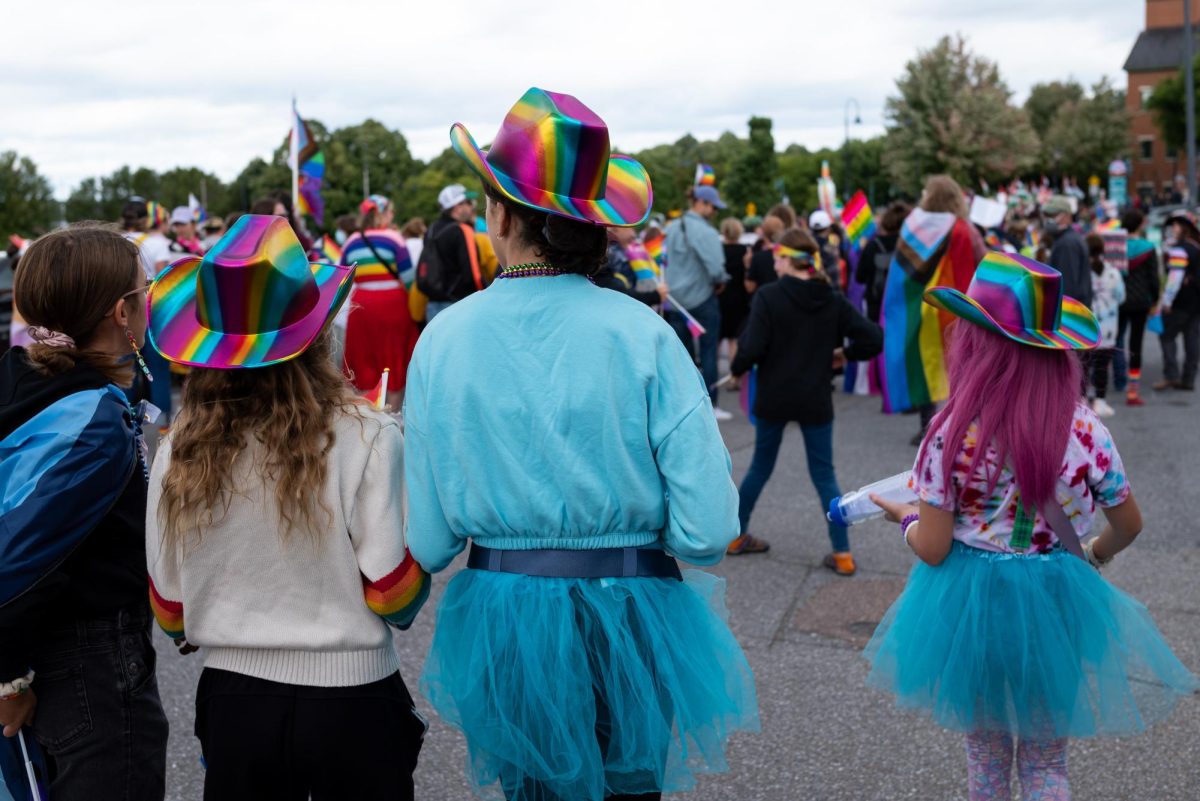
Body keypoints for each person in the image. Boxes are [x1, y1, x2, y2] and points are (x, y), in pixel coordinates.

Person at [406, 87, 758, 801]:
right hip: (632, 607)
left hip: (508, 611)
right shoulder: (645, 333)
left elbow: (431, 538)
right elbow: (709, 529)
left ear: (501, 215)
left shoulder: (444, 340)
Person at [866, 250, 1197, 801]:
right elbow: (1129, 524)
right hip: (1056, 598)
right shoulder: (1085, 429)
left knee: (987, 761)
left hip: (970, 604)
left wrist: (903, 518)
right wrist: (1092, 555)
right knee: (1047, 764)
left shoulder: (949, 431)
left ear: (975, 342)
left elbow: (932, 546)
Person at [143, 214, 428, 801]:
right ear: (317, 330)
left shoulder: (179, 450)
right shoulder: (367, 435)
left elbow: (170, 609)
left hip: (233, 704)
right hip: (354, 701)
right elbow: (392, 592)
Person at [0, 226, 168, 799]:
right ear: (122, 312)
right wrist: (9, 676)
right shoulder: (90, 420)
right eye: (145, 292)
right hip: (83, 665)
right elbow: (15, 559)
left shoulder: (20, 374)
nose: (150, 303)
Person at [728, 228, 882, 568]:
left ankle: (736, 534)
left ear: (787, 259)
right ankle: (842, 553)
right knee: (825, 475)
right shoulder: (831, 299)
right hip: (815, 397)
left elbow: (751, 347)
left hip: (774, 396)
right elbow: (873, 339)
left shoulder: (769, 296)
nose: (775, 263)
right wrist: (846, 353)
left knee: (760, 467)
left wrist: (738, 368)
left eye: (778, 258)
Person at [880, 175, 985, 445]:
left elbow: (900, 274)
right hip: (956, 305)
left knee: (927, 365)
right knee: (958, 366)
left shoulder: (913, 228)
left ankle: (927, 426)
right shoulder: (963, 229)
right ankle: (959, 425)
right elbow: (980, 264)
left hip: (923, 306)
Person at [339, 195, 419, 409]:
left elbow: (341, 280)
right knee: (393, 360)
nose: (392, 215)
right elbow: (410, 280)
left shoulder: (351, 242)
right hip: (393, 306)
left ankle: (368, 416)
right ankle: (393, 416)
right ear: (381, 213)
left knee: (365, 361)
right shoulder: (394, 239)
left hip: (361, 307)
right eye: (390, 211)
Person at [663, 184, 729, 418]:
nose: (714, 211)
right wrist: (721, 280)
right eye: (713, 206)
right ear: (701, 203)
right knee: (709, 353)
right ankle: (711, 406)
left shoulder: (671, 228)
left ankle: (687, 408)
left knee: (683, 357)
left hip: (675, 300)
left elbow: (665, 260)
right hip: (702, 298)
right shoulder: (707, 232)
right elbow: (716, 269)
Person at [120, 199, 174, 426]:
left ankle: (127, 423)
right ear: (146, 219)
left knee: (126, 372)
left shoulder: (117, 242)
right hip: (153, 314)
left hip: (123, 315)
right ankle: (162, 427)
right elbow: (163, 281)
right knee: (158, 372)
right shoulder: (158, 243)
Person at [413, 184, 486, 322]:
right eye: (469, 203)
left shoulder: (432, 228)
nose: (472, 207)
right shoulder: (462, 230)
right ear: (457, 207)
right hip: (458, 306)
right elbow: (473, 275)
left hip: (433, 305)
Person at [1113, 209, 1159, 406]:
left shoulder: (1115, 246)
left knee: (1117, 340)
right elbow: (1153, 279)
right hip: (1141, 301)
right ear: (1139, 225)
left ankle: (1118, 379)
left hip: (1120, 300)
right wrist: (1155, 299)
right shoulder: (1148, 248)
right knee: (1136, 344)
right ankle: (1132, 390)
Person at [1155, 210, 1200, 391]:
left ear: (1184, 228)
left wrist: (1166, 302)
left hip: (1180, 302)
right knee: (1192, 340)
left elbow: (1174, 279)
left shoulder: (1180, 249)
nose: (1173, 228)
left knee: (1166, 335)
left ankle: (1171, 375)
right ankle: (1188, 379)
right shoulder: (1196, 246)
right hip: (1196, 302)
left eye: (1175, 225)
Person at [1085, 232, 1125, 417]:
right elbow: (1121, 297)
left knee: (1084, 365)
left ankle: (1084, 401)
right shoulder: (1113, 272)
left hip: (1086, 325)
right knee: (1102, 366)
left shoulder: (1083, 272)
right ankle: (1100, 402)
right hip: (1108, 327)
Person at [855, 201, 911, 323]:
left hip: (875, 307)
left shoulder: (872, 246)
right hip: (901, 307)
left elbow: (859, 277)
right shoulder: (909, 248)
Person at [1043, 195, 1091, 308]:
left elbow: (1067, 287)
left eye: (1053, 215)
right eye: (1047, 216)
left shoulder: (1066, 243)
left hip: (1069, 313)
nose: (1048, 220)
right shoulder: (1068, 239)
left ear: (1067, 216)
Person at [718, 217, 750, 379]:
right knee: (734, 340)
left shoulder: (718, 250)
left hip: (720, 296)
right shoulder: (744, 251)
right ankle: (734, 376)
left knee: (716, 338)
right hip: (739, 297)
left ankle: (712, 375)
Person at [744, 214, 785, 295]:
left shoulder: (758, 256)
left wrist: (747, 266)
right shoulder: (789, 254)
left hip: (763, 301)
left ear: (763, 232)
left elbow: (750, 287)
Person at [807, 210, 845, 292]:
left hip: (816, 291)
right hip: (831, 290)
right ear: (828, 228)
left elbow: (809, 269)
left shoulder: (808, 246)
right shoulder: (832, 245)